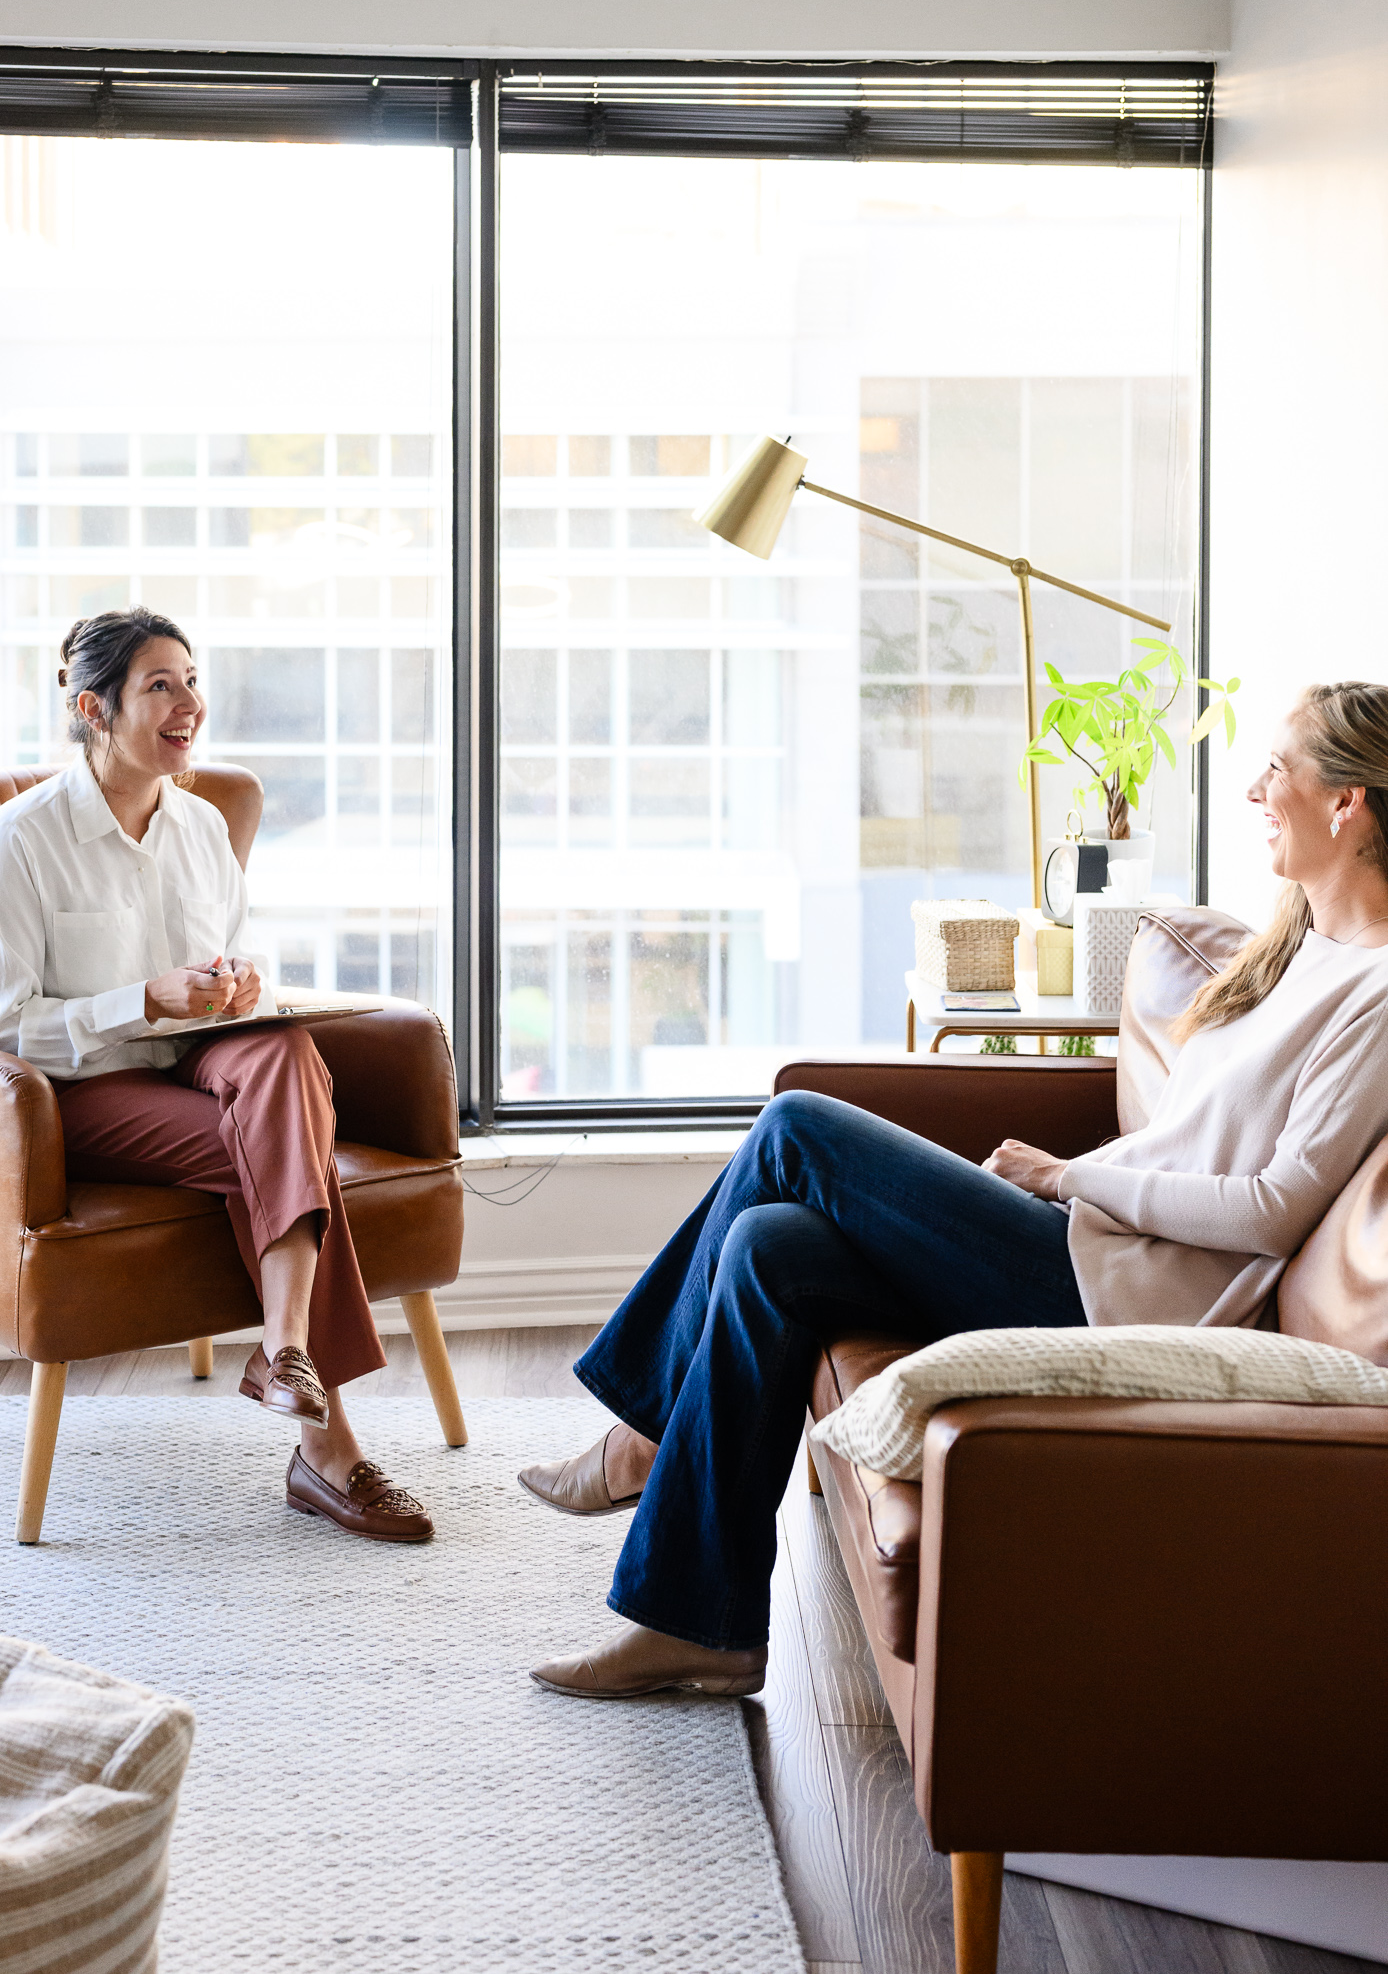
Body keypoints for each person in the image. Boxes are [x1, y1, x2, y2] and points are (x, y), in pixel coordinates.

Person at [521, 681, 1388, 1698]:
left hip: (1127, 1298)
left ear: (1349, 805)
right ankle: (697, 1626)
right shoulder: (1293, 950)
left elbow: (1276, 1205)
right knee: (766, 1245)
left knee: (796, 1127)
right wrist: (1080, 1192)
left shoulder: (1375, 992)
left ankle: (641, 1437)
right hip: (1087, 1243)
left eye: (1276, 770)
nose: (1252, 789)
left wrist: (1072, 1175)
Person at [0, 606, 432, 1543]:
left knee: (289, 1052)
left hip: (201, 1066)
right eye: (160, 686)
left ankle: (286, 1350)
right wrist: (145, 1001)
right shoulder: (18, 844)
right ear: (95, 708)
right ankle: (328, 1447)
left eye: (192, 680)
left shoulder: (202, 826)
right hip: (80, 1097)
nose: (190, 705)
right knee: (287, 1139)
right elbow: (3, 1033)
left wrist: (237, 982)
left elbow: (227, 953)